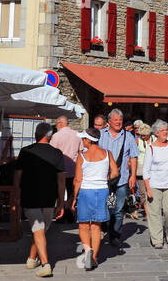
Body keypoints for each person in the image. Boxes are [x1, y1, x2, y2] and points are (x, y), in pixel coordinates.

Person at [14, 122, 66, 278]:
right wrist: (61, 202)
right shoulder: (57, 154)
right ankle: (45, 264)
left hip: (30, 196)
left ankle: (31, 258)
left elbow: (17, 176)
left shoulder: (25, 151)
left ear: (37, 135)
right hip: (49, 197)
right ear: (49, 136)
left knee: (40, 230)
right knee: (40, 228)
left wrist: (16, 194)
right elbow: (61, 181)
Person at [73, 127, 116, 270]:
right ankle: (94, 257)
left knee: (83, 225)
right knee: (96, 226)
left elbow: (78, 179)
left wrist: (74, 198)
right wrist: (104, 178)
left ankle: (87, 251)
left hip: (85, 191)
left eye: (83, 139)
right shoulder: (107, 154)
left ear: (88, 140)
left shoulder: (82, 155)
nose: (82, 141)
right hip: (102, 190)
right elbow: (115, 173)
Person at [99, 109, 139, 249]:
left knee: (118, 209)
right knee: (105, 207)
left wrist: (133, 175)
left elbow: (133, 157)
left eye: (120, 120)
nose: (118, 122)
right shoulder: (101, 135)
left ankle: (115, 235)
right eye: (115, 120)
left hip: (121, 180)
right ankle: (103, 228)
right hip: (103, 180)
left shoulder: (128, 136)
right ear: (109, 121)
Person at [141, 120, 168, 247]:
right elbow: (145, 170)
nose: (166, 133)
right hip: (154, 184)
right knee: (154, 213)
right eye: (163, 131)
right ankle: (157, 238)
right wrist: (148, 188)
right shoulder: (151, 148)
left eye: (166, 130)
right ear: (156, 133)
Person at [49, 113, 82, 221]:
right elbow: (81, 152)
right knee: (72, 193)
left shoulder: (56, 136)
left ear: (60, 123)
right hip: (74, 168)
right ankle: (70, 214)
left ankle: (60, 214)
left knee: (60, 193)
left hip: (59, 169)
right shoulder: (77, 134)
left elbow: (52, 152)